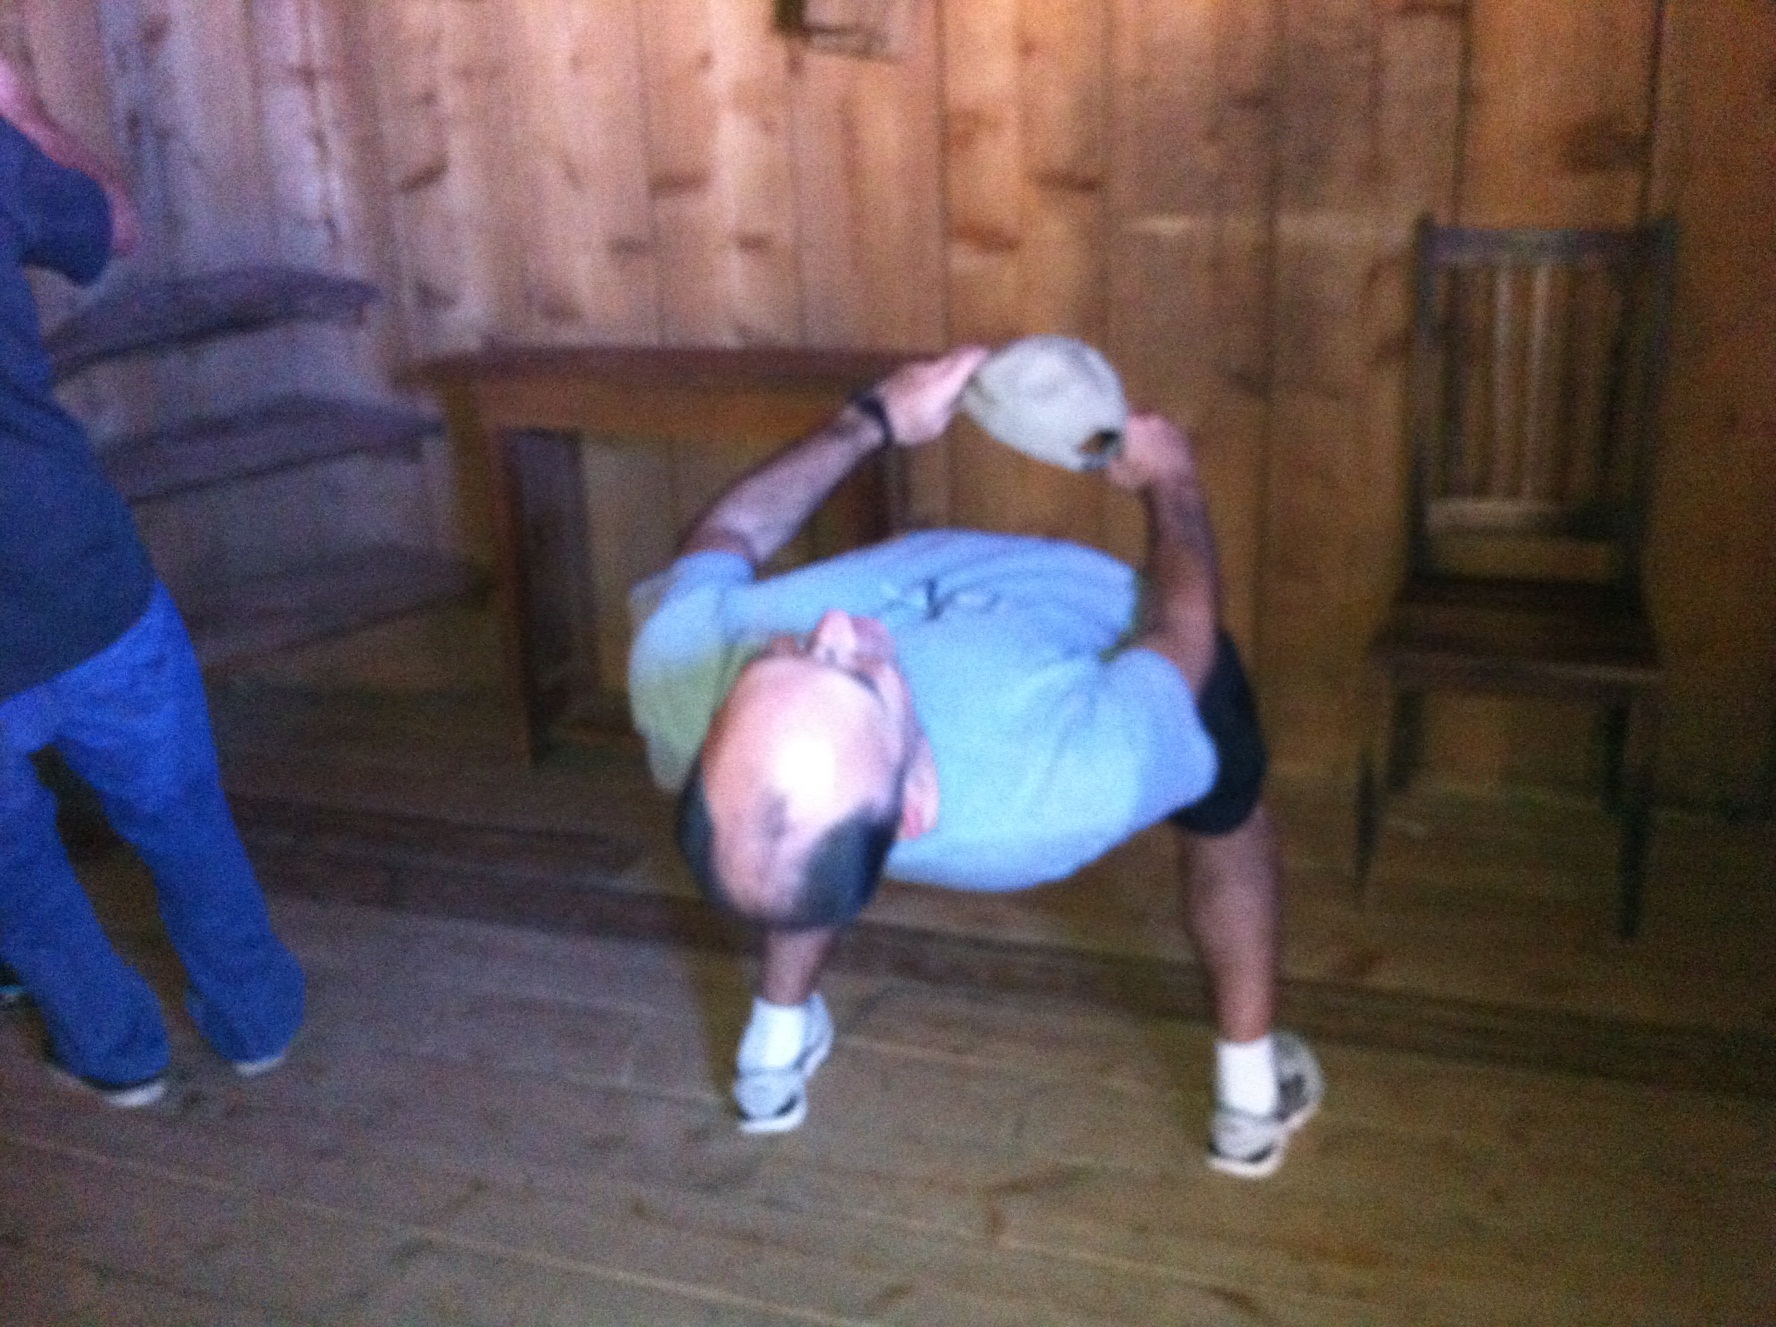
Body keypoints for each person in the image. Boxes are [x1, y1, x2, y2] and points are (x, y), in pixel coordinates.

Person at [629, 346, 1323, 1177]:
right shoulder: (1078, 783)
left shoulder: (677, 669)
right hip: (1097, 618)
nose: (835, 626)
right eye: (857, 674)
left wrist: (872, 421)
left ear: (715, 740)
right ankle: (1249, 1095)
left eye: (780, 660)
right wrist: (1170, 480)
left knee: (792, 835)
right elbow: (1183, 634)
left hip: (840, 804)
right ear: (914, 799)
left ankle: (771, 1049)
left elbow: (728, 537)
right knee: (1229, 816)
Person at [0, 60, 303, 1106]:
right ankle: (256, 1020)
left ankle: (116, 1054)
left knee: (13, 873)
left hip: (67, 572)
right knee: (178, 813)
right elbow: (114, 227)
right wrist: (21, 110)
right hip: (72, 571)